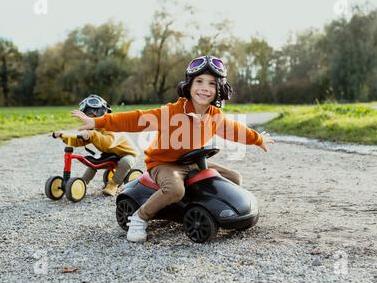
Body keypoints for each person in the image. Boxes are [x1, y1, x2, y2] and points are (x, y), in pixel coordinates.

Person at [71, 56, 274, 242]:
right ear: (189, 85)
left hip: (192, 161)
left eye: (211, 83)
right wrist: (98, 122)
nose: (205, 88)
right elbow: (136, 119)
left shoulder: (214, 115)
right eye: (199, 82)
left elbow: (235, 130)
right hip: (164, 164)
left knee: (234, 177)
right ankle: (140, 218)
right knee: (175, 189)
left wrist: (257, 139)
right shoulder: (172, 111)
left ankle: (223, 211)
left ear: (219, 89)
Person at [54, 94, 139, 196]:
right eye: (86, 118)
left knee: (126, 162)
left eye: (91, 117)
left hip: (128, 154)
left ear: (100, 114)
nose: (88, 121)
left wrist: (92, 134)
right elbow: (79, 141)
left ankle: (114, 184)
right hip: (111, 153)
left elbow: (108, 143)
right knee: (93, 163)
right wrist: (63, 136)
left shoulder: (113, 126)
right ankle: (83, 183)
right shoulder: (94, 129)